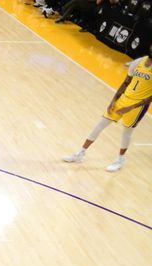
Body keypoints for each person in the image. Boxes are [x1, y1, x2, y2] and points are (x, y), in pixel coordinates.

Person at [63, 43, 152, 172]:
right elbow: (126, 82)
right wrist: (113, 100)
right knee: (100, 125)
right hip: (123, 99)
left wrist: (131, 107)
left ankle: (120, 160)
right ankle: (80, 153)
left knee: (127, 132)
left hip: (137, 106)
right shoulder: (139, 61)